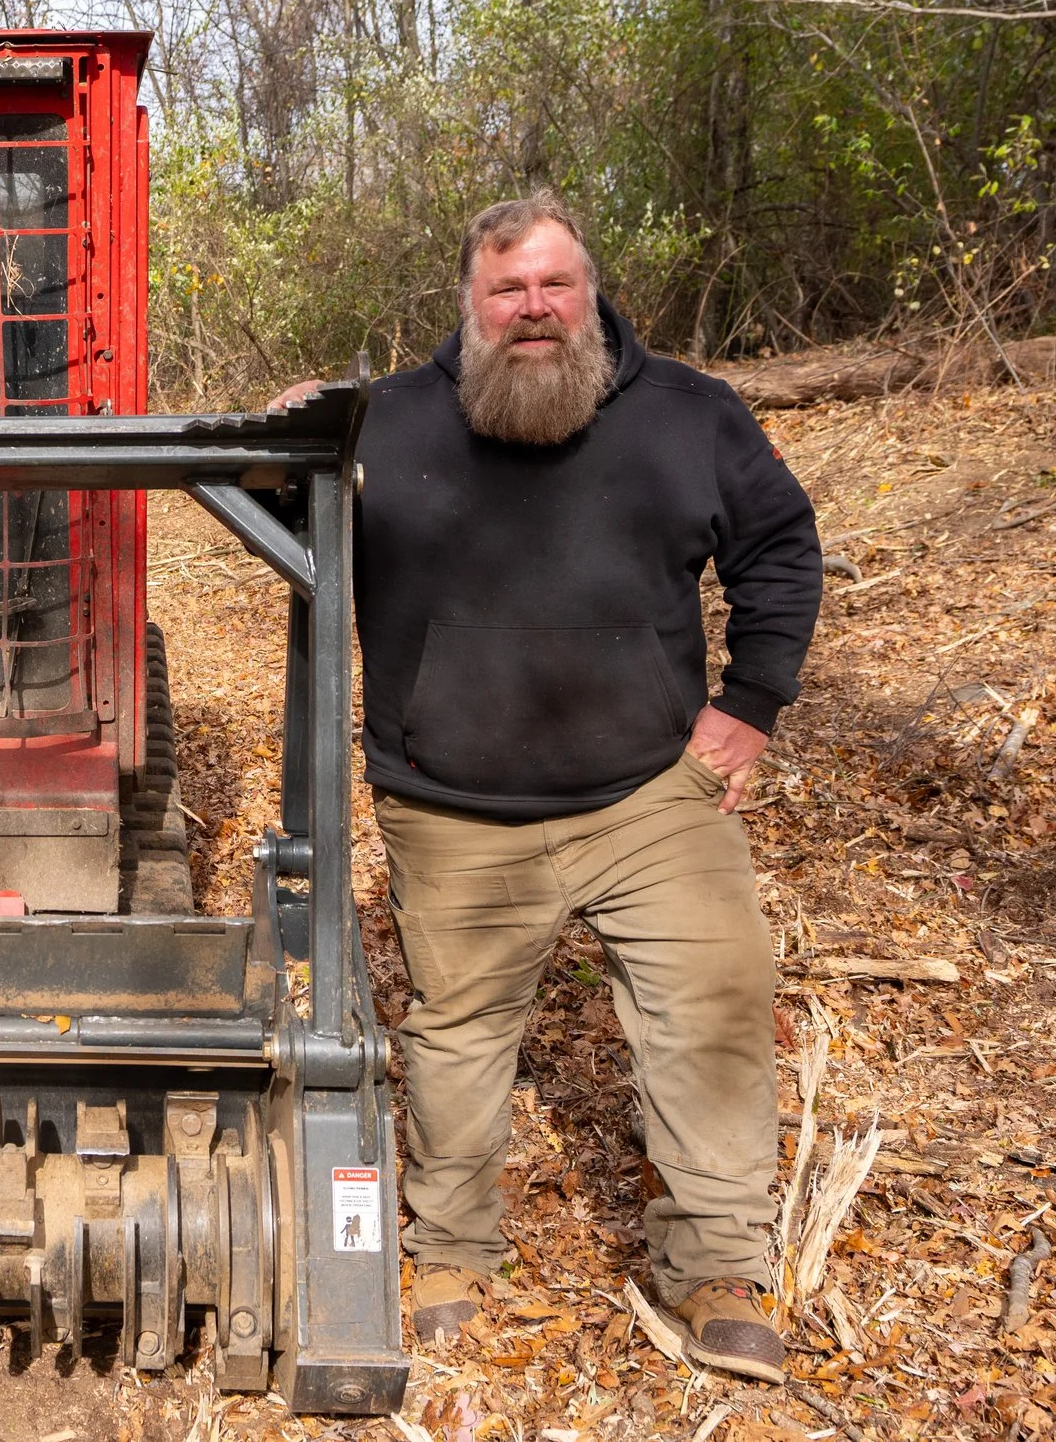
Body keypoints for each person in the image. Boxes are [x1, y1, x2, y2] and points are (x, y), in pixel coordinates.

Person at [283, 192, 821, 1384]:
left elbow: (780, 543)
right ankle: (454, 1250)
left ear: (589, 293)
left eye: (552, 286)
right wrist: (285, 448)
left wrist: (749, 703)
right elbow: (284, 524)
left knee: (717, 998)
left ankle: (718, 1262)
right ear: (466, 307)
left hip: (649, 796)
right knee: (461, 1035)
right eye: (505, 290)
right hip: (453, 804)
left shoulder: (691, 416)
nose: (532, 309)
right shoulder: (385, 424)